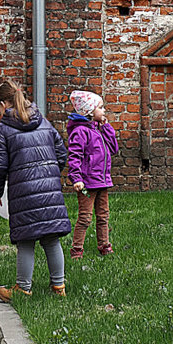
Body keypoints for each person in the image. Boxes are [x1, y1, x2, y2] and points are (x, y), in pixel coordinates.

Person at [0, 80, 71, 300]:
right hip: (50, 188)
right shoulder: (43, 121)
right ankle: (59, 286)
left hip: (23, 191)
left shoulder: (3, 129)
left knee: (26, 240)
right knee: (51, 238)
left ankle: (23, 288)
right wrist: (51, 173)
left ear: (4, 104)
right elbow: (61, 153)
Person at [67, 89, 119, 259]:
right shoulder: (80, 132)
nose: (104, 111)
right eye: (101, 108)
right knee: (85, 217)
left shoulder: (99, 129)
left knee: (103, 215)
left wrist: (106, 127)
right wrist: (76, 178)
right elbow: (74, 156)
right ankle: (77, 250)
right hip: (87, 184)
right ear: (89, 111)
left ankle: (104, 245)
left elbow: (114, 148)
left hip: (102, 182)